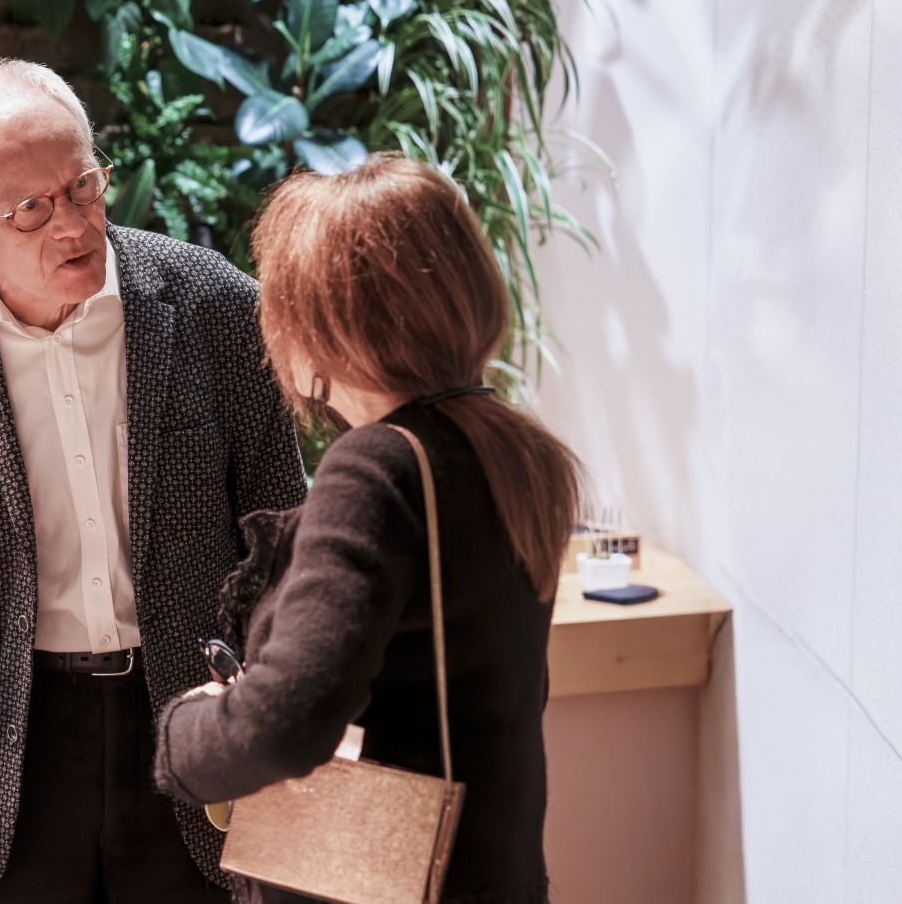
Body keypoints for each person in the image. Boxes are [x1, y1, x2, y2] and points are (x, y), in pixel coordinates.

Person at [0, 59, 306, 904]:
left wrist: (256, 684)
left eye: (85, 186)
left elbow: (285, 542)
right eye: (30, 208)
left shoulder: (218, 309)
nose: (75, 226)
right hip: (9, 751)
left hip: (196, 728)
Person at [153, 155, 581, 904]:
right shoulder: (518, 448)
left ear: (329, 321)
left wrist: (182, 731)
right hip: (496, 869)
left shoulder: (377, 466)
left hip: (389, 877)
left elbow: (286, 725)